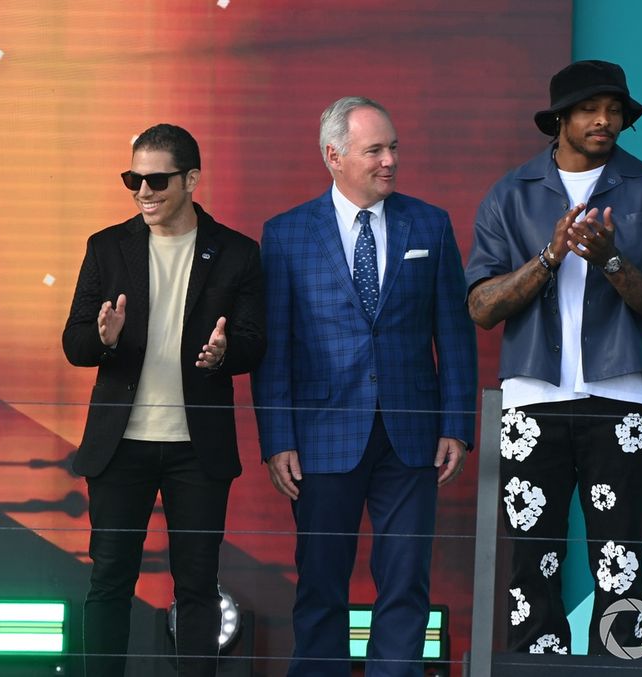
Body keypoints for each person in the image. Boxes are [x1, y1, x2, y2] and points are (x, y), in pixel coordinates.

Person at [465, 60, 642, 656]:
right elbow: (482, 307)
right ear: (560, 119)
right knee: (531, 558)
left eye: (615, 109)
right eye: (590, 109)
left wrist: (611, 262)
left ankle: (618, 665)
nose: (605, 120)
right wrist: (549, 258)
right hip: (531, 402)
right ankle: (533, 664)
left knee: (621, 560)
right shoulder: (510, 194)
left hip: (619, 399)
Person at [251, 96, 477, 676]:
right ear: (334, 156)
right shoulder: (286, 235)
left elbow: (453, 333)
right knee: (321, 582)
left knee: (406, 581)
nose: (390, 161)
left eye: (393, 147)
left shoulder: (429, 223)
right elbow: (273, 349)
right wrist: (277, 438)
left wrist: (457, 424)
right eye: (374, 149)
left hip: (413, 435)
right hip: (322, 435)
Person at [63, 123, 265, 677]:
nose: (143, 192)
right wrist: (103, 338)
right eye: (134, 178)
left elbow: (254, 344)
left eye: (157, 179)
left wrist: (224, 353)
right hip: (119, 445)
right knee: (109, 582)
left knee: (197, 585)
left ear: (192, 179)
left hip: (196, 450)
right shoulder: (106, 248)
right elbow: (75, 342)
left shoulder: (237, 254)